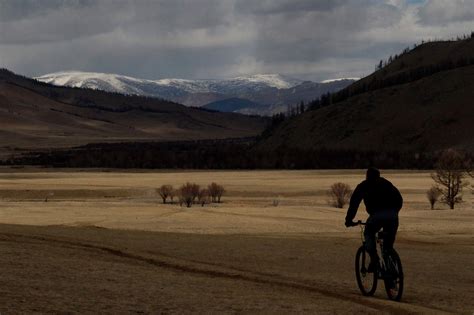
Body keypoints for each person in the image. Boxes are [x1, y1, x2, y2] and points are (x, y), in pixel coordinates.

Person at [345, 167, 403, 272]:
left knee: (368, 232)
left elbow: (354, 204)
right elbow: (399, 198)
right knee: (388, 246)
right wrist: (395, 212)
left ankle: (374, 259)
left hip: (377, 216)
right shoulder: (386, 183)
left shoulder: (363, 186)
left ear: (367, 176)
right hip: (393, 215)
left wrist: (349, 220)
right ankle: (392, 276)